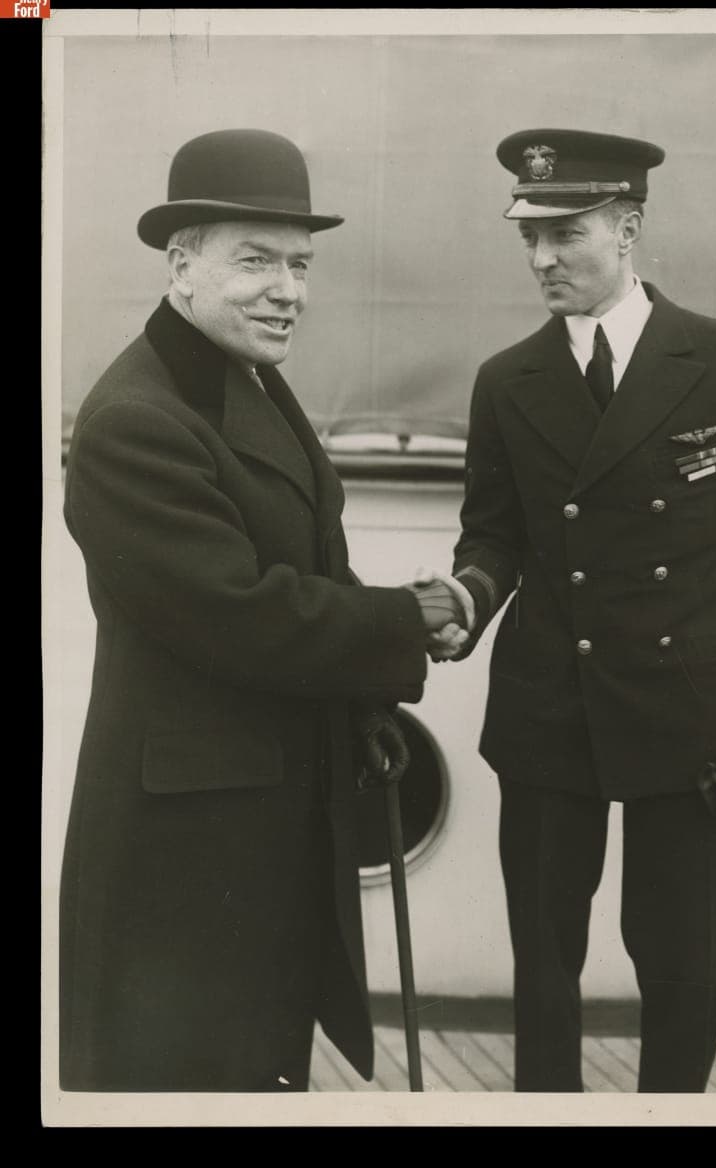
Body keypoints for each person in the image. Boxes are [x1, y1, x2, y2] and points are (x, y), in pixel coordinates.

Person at [59, 128, 467, 1092]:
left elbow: (296, 571)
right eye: (256, 261)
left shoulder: (239, 380)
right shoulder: (136, 422)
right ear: (181, 265)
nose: (289, 289)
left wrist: (374, 665)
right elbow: (241, 613)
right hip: (183, 868)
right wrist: (409, 620)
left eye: (301, 264)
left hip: (253, 840)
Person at [432, 129, 716, 1092]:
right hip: (549, 702)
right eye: (529, 236)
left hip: (689, 707)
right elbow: (496, 538)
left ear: (630, 227)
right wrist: (464, 600)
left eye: (567, 233)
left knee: (686, 961)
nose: (542, 259)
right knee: (545, 968)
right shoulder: (506, 380)